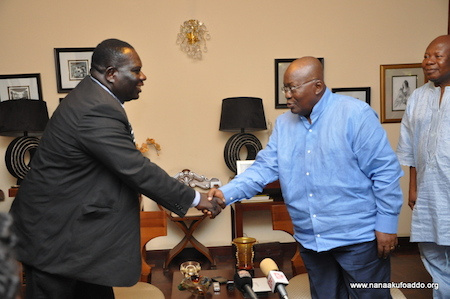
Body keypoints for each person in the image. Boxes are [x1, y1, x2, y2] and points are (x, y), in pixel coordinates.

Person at [9, 38, 225, 299]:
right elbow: (136, 169)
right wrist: (197, 198)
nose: (143, 77)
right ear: (111, 74)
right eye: (135, 70)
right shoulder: (95, 108)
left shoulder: (95, 97)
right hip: (55, 240)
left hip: (76, 240)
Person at [209, 57, 403, 298]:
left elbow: (385, 171)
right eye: (285, 88)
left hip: (357, 239)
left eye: (292, 88)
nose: (287, 95)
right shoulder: (283, 125)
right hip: (312, 241)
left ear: (318, 87)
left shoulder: (355, 115)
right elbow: (263, 168)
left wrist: (387, 225)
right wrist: (224, 194)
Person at [397, 35, 450, 298]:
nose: (428, 62)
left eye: (436, 56)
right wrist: (412, 188)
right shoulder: (418, 97)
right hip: (428, 193)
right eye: (426, 56)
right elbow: (409, 146)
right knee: (432, 254)